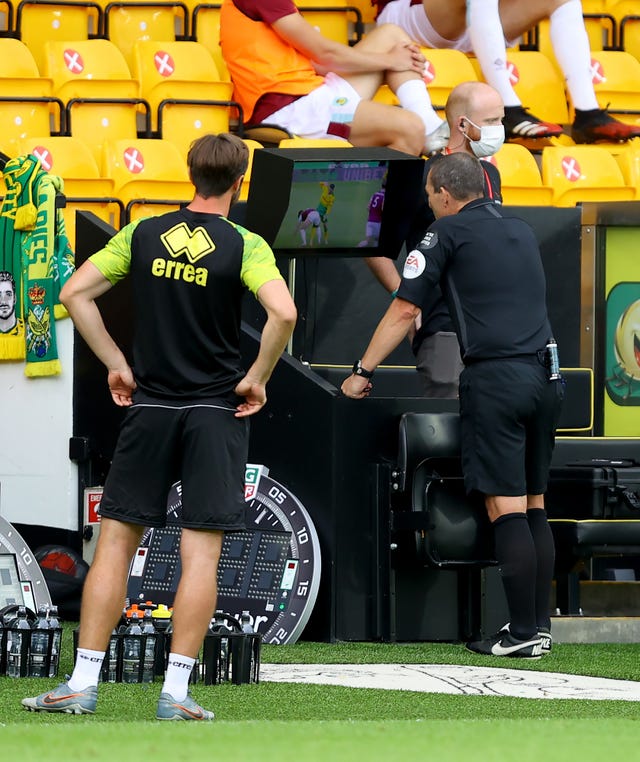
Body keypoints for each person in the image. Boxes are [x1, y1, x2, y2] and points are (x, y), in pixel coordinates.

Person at [21, 133, 297, 719]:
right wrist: (258, 375)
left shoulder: (144, 234)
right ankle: (174, 694)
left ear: (191, 175)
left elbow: (73, 293)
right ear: (239, 182)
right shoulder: (246, 244)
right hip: (216, 413)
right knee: (201, 559)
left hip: (149, 408)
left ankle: (81, 684)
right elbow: (285, 312)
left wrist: (117, 364)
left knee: (115, 547)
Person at [342, 152, 563, 659]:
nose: (429, 203)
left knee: (503, 507)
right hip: (547, 376)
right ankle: (539, 627)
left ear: (444, 194)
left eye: (429, 196)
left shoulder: (445, 234)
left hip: (497, 379)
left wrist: (362, 372)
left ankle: (523, 632)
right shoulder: (521, 228)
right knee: (535, 503)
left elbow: (405, 308)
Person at [365, 80, 504, 397]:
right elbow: (373, 244)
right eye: (493, 121)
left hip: (492, 333)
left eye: (501, 120)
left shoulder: (490, 173)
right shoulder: (421, 176)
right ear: (463, 124)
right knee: (447, 430)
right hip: (444, 330)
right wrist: (404, 296)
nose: (500, 129)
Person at [376, 0, 640, 143]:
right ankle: (509, 110)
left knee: (563, 0)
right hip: (409, 14)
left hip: (479, 17)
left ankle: (588, 114)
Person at [219, 0, 451, 156]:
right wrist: (391, 62)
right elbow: (325, 54)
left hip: (317, 95)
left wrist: (389, 65)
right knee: (410, 128)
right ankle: (379, 220)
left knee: (392, 35)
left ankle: (431, 127)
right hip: (292, 111)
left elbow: (319, 63)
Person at [357, 180, 386, 248]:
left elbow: (368, 207)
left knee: (367, 241)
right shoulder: (384, 196)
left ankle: (356, 249)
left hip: (370, 221)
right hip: (378, 223)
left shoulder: (375, 194)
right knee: (377, 241)